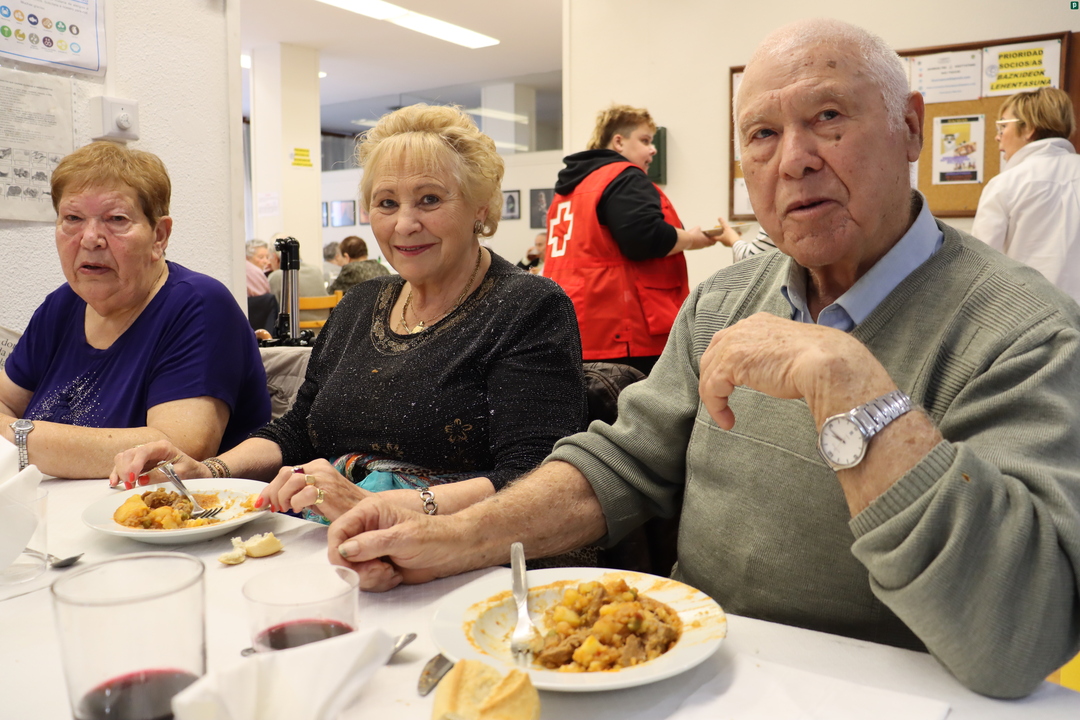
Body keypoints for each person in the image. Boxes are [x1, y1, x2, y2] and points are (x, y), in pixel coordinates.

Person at [325, 20, 1080, 700]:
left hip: (882, 691)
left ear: (910, 127)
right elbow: (622, 463)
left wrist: (852, 388)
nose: (795, 160)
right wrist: (450, 536)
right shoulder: (726, 299)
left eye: (828, 117)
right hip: (694, 675)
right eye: (762, 134)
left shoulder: (1023, 329)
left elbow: (1022, 635)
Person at [112, 104, 587, 527]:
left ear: (480, 208)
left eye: (430, 199)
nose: (404, 224)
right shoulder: (361, 304)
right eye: (387, 203)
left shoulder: (528, 306)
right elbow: (299, 430)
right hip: (329, 529)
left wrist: (381, 505)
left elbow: (532, 475)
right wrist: (209, 470)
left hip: (466, 548)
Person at [0, 141, 270, 478]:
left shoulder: (200, 305)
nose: (90, 238)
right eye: (72, 218)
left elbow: (176, 449)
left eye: (116, 219)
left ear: (159, 236)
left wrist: (18, 439)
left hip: (162, 509)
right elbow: (5, 401)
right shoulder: (62, 304)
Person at [543, 105, 719, 376]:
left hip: (577, 326)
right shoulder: (624, 176)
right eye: (645, 140)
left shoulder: (571, 189)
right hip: (626, 331)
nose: (653, 150)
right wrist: (692, 239)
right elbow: (644, 238)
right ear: (619, 141)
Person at [971, 87, 1080, 304]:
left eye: (1003, 126)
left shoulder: (1005, 184)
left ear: (1029, 128)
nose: (997, 137)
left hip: (1028, 314)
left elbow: (979, 265)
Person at [267, 239, 331, 325]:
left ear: (275, 258)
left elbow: (272, 311)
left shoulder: (276, 276)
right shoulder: (316, 270)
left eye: (268, 257)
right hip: (322, 328)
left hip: (294, 329)